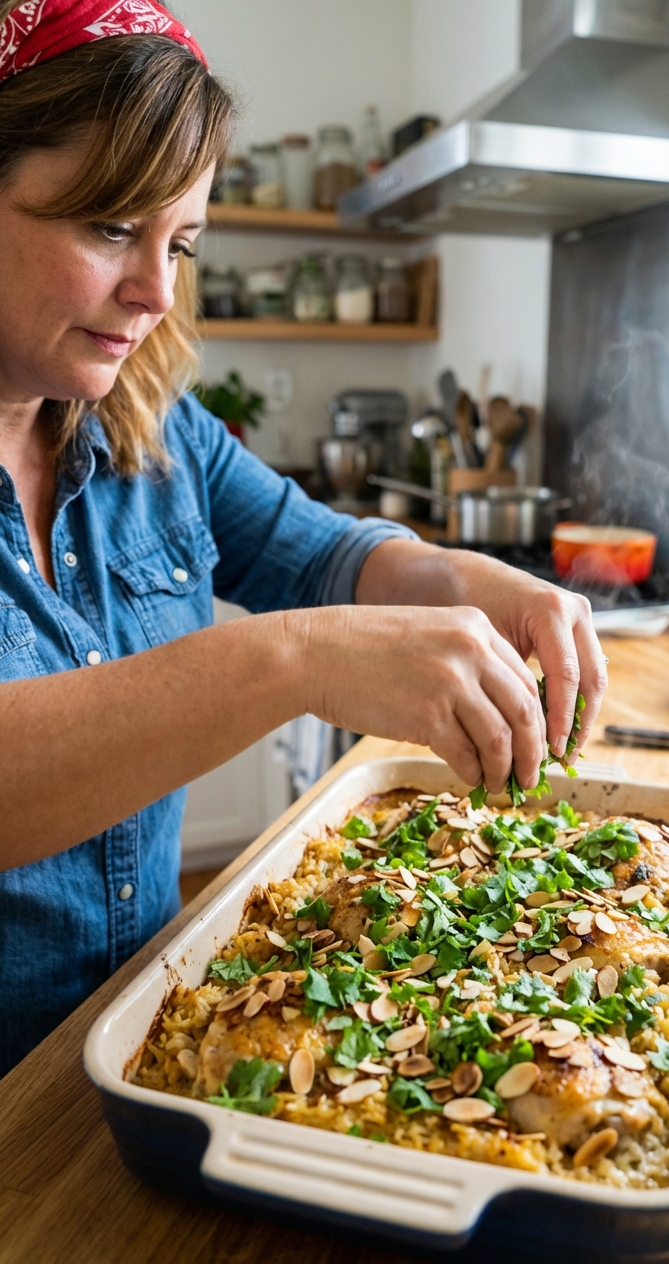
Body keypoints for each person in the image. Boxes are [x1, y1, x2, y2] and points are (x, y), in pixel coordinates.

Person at [0, 0, 607, 1076]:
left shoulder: (155, 427)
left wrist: (480, 582)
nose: (153, 292)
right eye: (108, 228)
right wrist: (296, 656)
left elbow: (325, 555)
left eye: (179, 241)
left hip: (141, 1043)